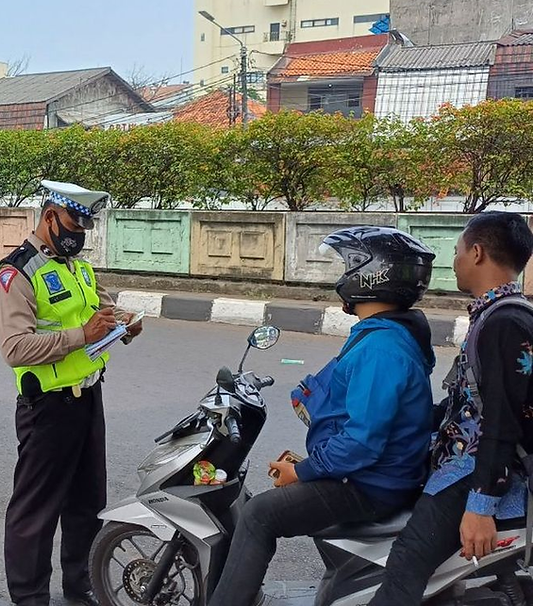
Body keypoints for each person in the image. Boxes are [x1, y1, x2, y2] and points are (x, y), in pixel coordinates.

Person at [209, 226, 437, 606]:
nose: (341, 276)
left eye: (347, 266)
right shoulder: (388, 333)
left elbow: (362, 442)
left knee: (258, 514)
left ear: (369, 275)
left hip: (371, 485)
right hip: (375, 472)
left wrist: (304, 472)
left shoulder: (381, 349)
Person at [0, 180, 143, 606]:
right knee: (36, 511)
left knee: (88, 502)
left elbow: (100, 313)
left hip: (89, 399)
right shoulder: (15, 273)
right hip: (48, 409)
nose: (81, 231)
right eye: (75, 221)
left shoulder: (78, 267)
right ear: (50, 216)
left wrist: (124, 324)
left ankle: (82, 585)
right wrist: (81, 334)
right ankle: (30, 596)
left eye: (87, 224)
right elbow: (14, 348)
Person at [369, 212, 533, 605]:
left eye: (457, 251)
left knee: (406, 563)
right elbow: (468, 403)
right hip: (461, 459)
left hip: (474, 470)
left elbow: (501, 422)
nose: (454, 260)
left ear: (477, 253)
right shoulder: (497, 314)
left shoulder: (504, 323)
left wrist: (480, 507)